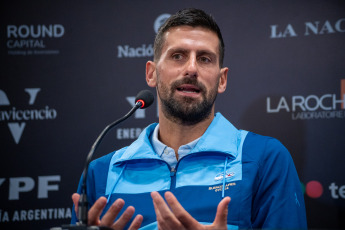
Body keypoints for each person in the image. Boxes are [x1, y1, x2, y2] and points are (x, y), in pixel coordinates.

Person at [71, 8, 307, 229]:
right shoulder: (100, 172)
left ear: (222, 79)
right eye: (177, 56)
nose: (191, 69)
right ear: (151, 73)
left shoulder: (265, 159)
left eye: (205, 59)